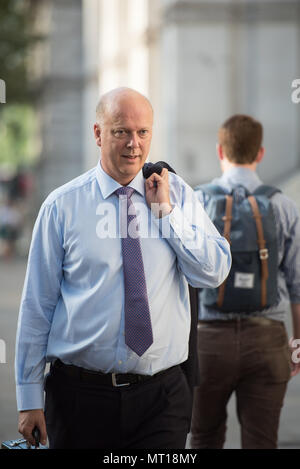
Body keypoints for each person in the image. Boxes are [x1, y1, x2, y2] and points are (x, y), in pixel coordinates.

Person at [15, 87, 231, 449]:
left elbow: (212, 272)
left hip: (161, 398)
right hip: (79, 398)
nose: (134, 143)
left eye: (142, 132)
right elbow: (37, 306)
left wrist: (166, 215)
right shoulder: (61, 207)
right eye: (121, 132)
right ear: (98, 133)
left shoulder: (175, 194)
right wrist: (29, 398)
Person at [190, 114, 300, 449]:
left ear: (220, 151)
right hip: (267, 340)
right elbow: (297, 285)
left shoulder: (197, 203)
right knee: (261, 441)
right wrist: (297, 346)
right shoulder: (283, 205)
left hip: (206, 344)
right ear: (261, 153)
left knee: (204, 437)